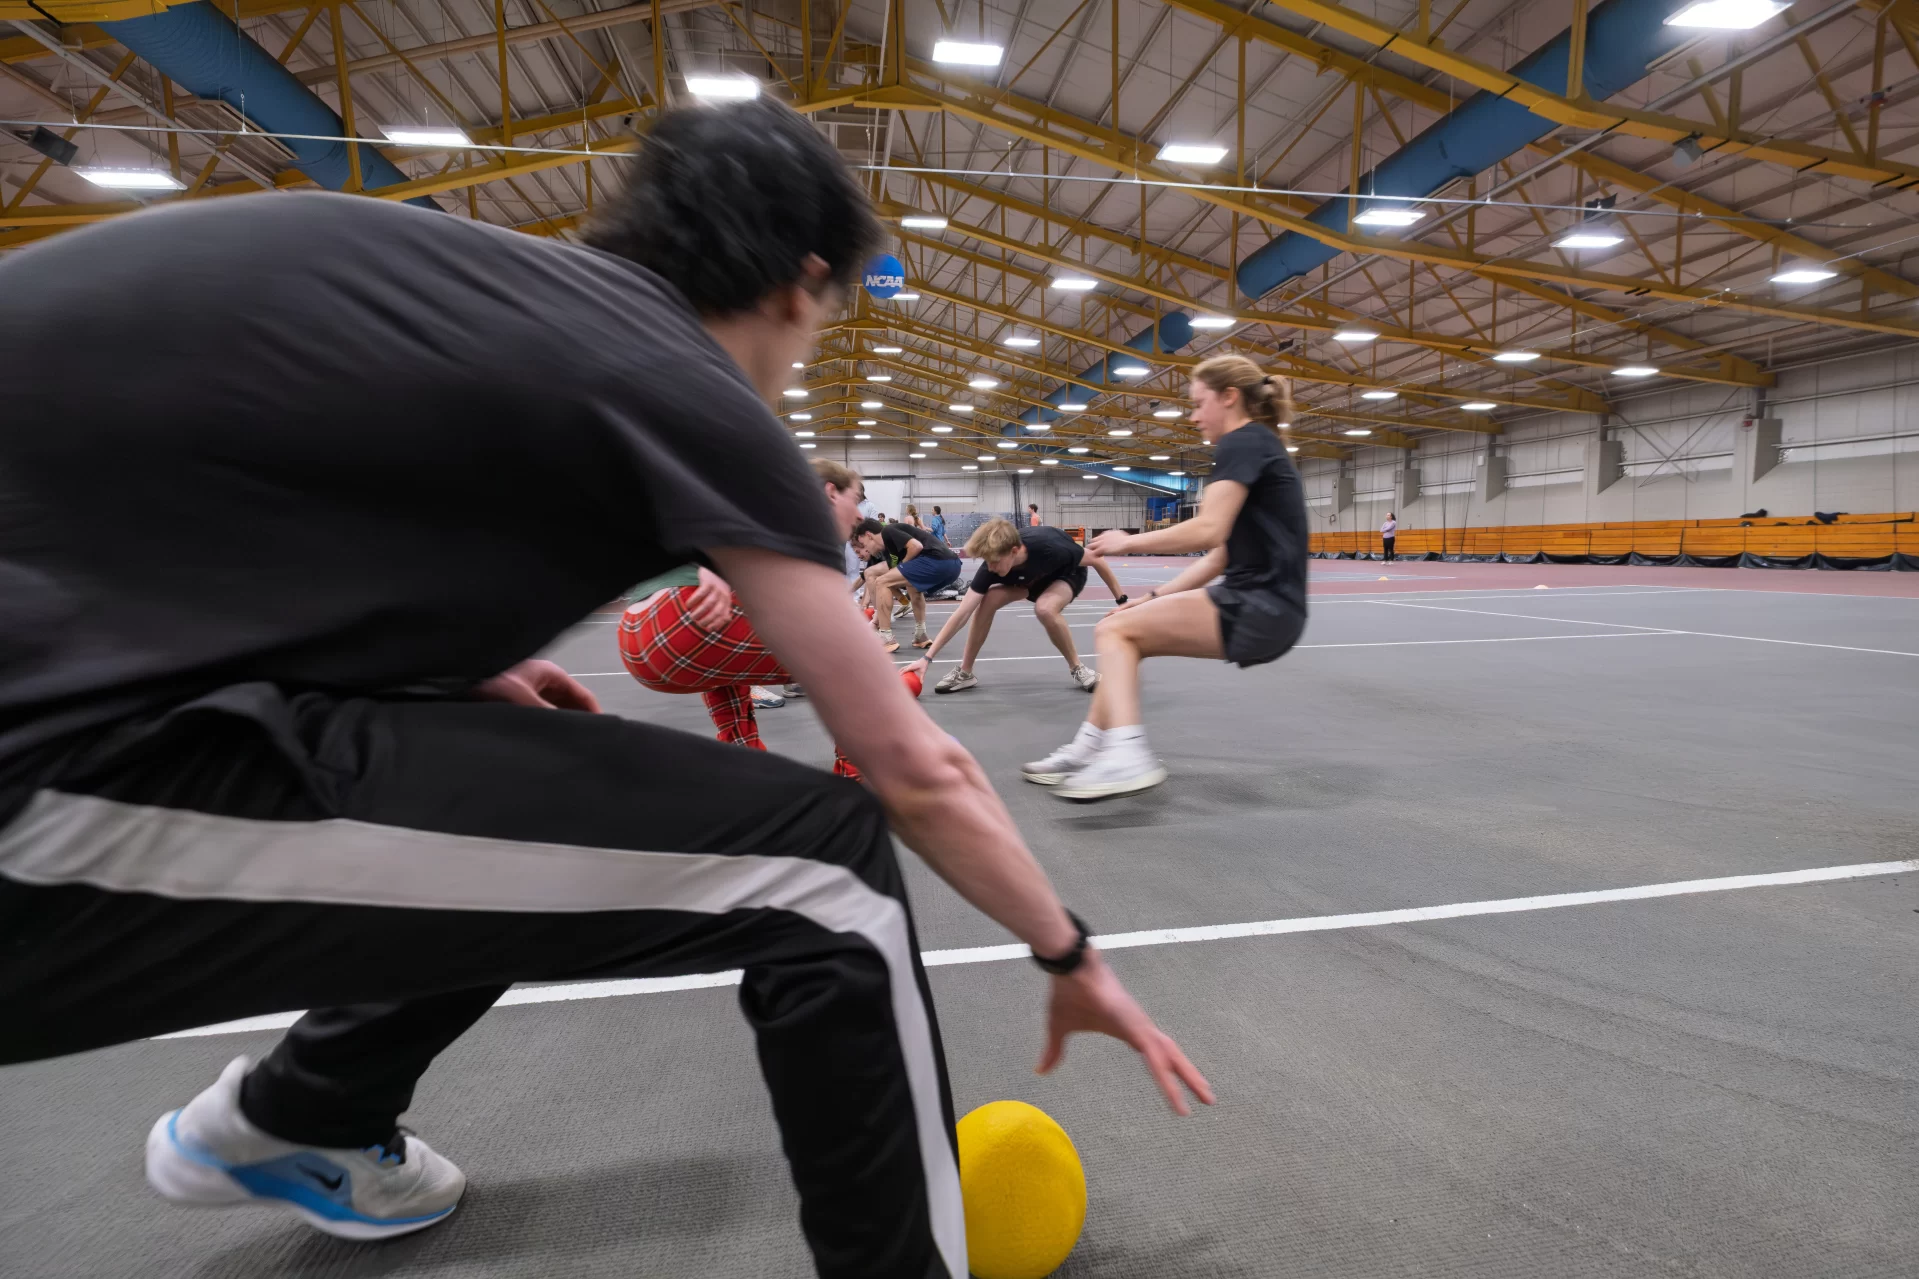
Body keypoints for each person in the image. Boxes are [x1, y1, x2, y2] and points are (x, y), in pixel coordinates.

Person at [0, 97, 1210, 1279]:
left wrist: (460, 673)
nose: (796, 363)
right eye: (819, 324)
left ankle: (306, 1112)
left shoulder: (441, 287)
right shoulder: (685, 379)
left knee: (533, 783)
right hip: (41, 792)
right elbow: (914, 770)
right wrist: (1067, 954)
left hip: (82, 712)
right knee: (828, 867)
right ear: (798, 285)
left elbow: (180, 510)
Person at [1023, 356, 1307, 801]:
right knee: (1124, 634)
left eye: (1198, 404)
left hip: (1260, 605)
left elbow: (1209, 529)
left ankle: (1129, 754)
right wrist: (1153, 597)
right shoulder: (1259, 444)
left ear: (1229, 397)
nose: (1193, 417)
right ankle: (1088, 748)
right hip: (1272, 611)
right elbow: (1222, 555)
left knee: (1114, 630)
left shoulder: (1243, 441)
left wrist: (1128, 542)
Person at [619, 458, 867, 777]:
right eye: (856, 500)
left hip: (637, 639)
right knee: (850, 658)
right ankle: (857, 772)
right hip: (681, 620)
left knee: (731, 665)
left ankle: (744, 761)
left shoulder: (761, 503)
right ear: (831, 492)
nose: (860, 514)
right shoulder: (802, 519)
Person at [903, 519, 1128, 695]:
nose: (990, 567)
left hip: (1065, 575)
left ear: (1013, 550)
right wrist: (927, 659)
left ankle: (1078, 669)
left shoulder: (1051, 547)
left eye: (994, 561)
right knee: (988, 599)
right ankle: (965, 673)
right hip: (1029, 580)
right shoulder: (993, 564)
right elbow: (962, 613)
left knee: (1045, 608)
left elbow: (1098, 560)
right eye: (987, 561)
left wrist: (1122, 602)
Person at [853, 517, 961, 651]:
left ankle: (886, 636)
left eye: (862, 544)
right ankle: (921, 635)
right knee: (912, 587)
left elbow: (916, 546)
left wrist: (902, 567)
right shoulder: (890, 551)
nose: (866, 549)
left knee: (881, 582)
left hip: (936, 560)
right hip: (952, 566)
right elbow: (893, 580)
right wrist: (900, 601)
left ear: (869, 535)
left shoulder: (888, 531)